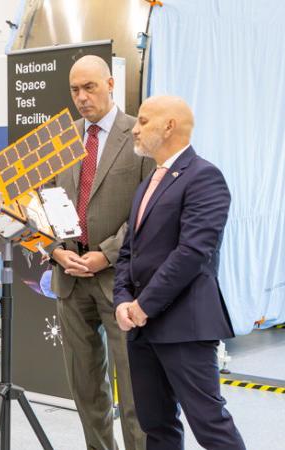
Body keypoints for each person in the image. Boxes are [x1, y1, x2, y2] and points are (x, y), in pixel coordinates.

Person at [113, 95, 246, 450]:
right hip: (142, 329)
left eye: (142, 121)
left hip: (184, 327)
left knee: (210, 426)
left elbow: (192, 253)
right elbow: (129, 251)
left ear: (169, 126)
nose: (135, 129)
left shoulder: (204, 177)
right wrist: (123, 301)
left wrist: (143, 306)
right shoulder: (147, 184)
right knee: (156, 426)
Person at [47, 55, 152, 450]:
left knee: (134, 388)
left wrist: (106, 254)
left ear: (110, 84)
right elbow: (45, 203)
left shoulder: (138, 134)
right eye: (75, 89)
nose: (81, 97)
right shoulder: (63, 139)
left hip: (121, 281)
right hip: (70, 280)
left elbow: (146, 211)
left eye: (89, 87)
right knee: (86, 388)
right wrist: (56, 250)